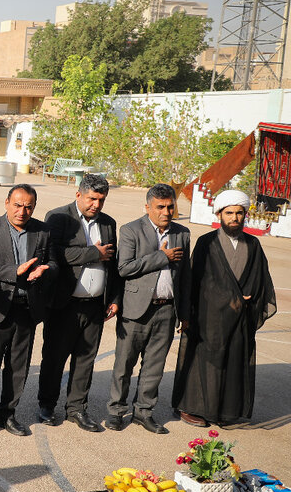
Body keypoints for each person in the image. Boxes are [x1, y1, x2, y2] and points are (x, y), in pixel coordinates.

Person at [172, 190, 276, 426]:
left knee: (233, 360)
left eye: (239, 213)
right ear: (220, 214)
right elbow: (199, 280)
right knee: (205, 362)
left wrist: (246, 300)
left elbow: (261, 279)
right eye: (229, 213)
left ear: (245, 215)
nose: (235, 218)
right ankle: (192, 408)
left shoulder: (253, 244)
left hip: (241, 317)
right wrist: (231, 298)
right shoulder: (206, 243)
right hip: (210, 316)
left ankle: (225, 411)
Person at [37, 173, 120, 432]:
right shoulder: (58, 217)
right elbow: (56, 254)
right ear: (78, 195)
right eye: (92, 199)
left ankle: (76, 408)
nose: (96, 205)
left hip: (95, 305)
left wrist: (114, 298)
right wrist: (94, 252)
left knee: (86, 359)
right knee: (55, 357)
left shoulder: (107, 223)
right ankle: (46, 405)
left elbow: (114, 264)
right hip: (64, 304)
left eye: (101, 200)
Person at [106, 183, 191, 434]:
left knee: (155, 366)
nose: (166, 211)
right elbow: (124, 268)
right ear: (147, 207)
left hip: (166, 310)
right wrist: (161, 257)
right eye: (160, 207)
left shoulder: (182, 234)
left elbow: (185, 277)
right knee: (124, 365)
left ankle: (143, 412)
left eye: (170, 207)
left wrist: (184, 314)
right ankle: (116, 411)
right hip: (135, 310)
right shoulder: (132, 230)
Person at [0, 183, 52, 438]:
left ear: (34, 207)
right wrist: (12, 272)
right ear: (6, 203)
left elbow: (53, 261)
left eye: (28, 206)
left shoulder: (42, 231)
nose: (22, 211)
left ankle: (7, 414)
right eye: (17, 205)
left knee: (19, 367)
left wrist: (45, 270)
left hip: (26, 310)